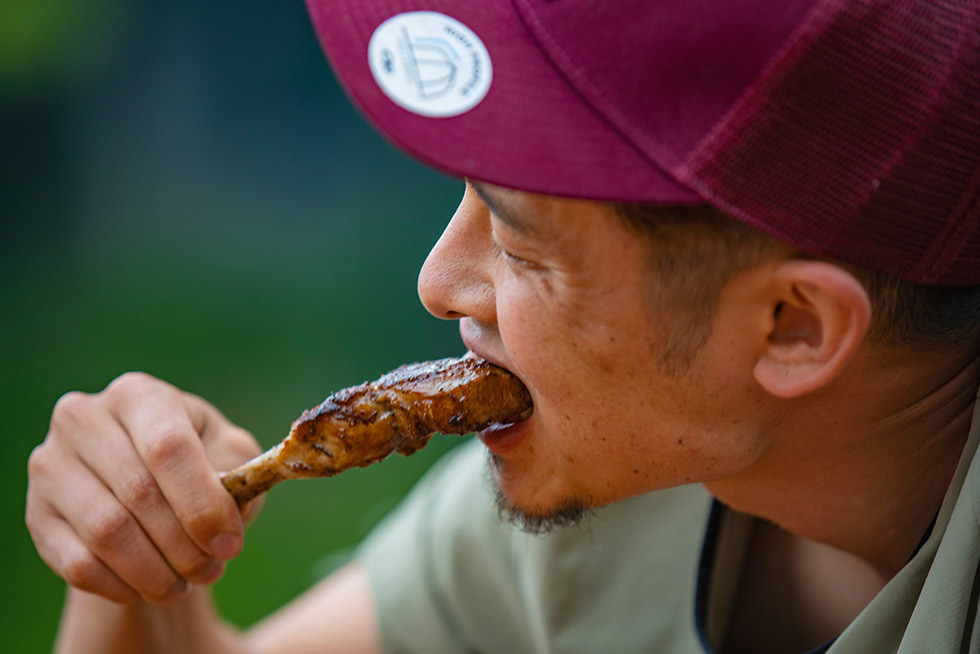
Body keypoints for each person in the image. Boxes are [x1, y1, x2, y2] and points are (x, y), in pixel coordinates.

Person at [25, 1, 980, 652]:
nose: (437, 283)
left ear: (790, 328)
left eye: (521, 244)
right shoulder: (635, 473)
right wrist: (136, 572)